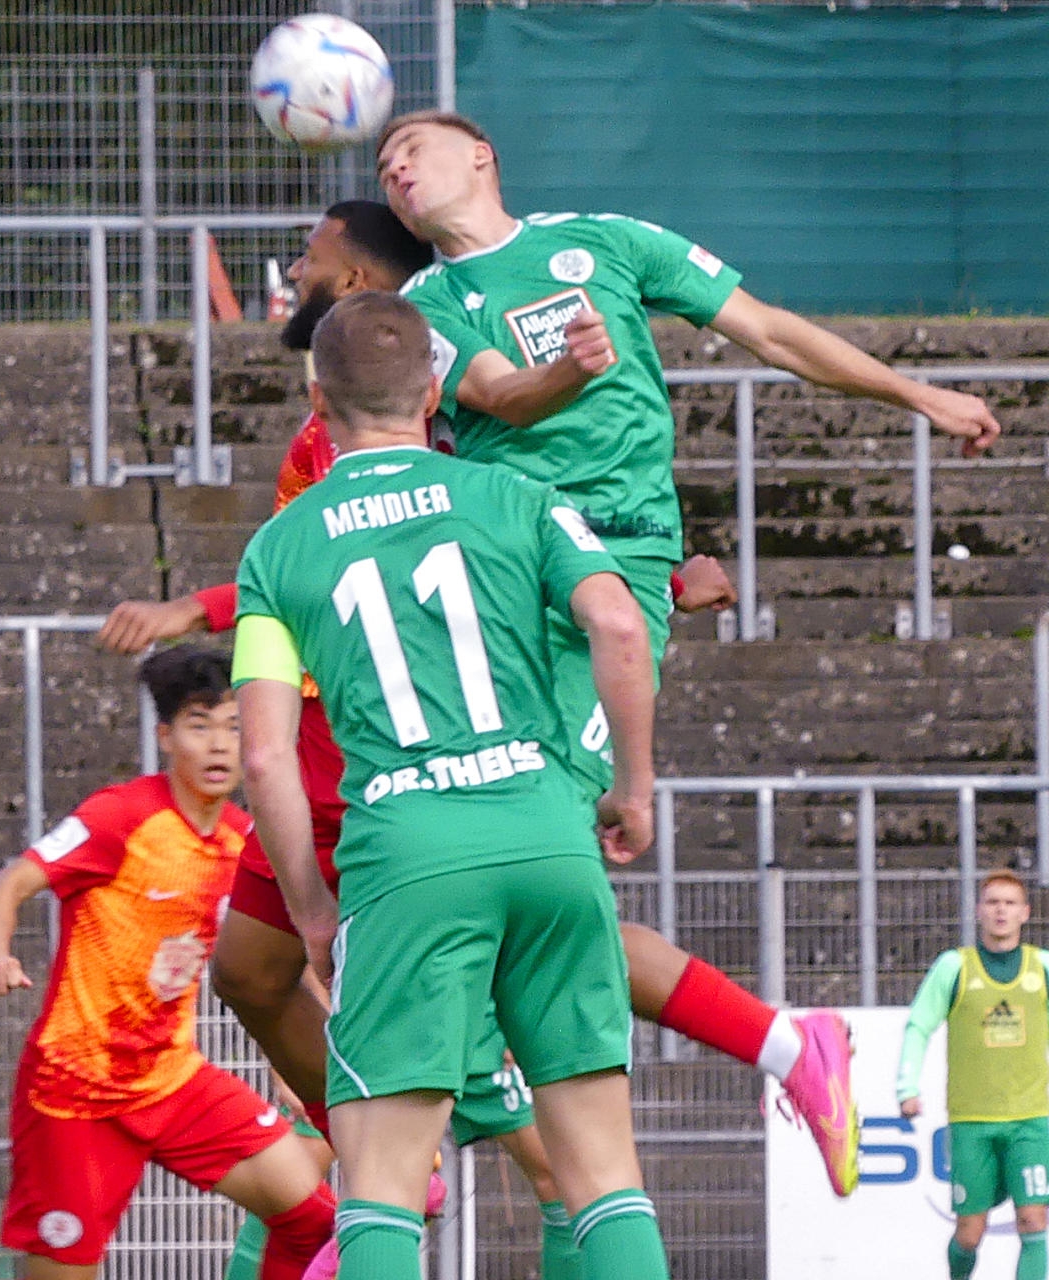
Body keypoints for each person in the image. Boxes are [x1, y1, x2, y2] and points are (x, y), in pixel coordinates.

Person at [101, 196, 840, 1210]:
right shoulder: (355, 406)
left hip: (386, 741)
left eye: (311, 260)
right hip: (326, 727)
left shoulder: (421, 414)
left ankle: (778, 1043)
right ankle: (383, 1167)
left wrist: (653, 588)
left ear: (357, 288)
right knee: (255, 969)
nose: (293, 277)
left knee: (521, 948)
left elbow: (473, 558)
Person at [374, 110, 1005, 1195]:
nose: (392, 166)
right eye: (379, 163)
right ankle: (728, 1056)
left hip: (607, 567)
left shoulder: (606, 241)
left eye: (411, 147)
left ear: (481, 155)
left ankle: (477, 1106)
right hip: (499, 583)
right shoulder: (424, 304)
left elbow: (770, 329)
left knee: (527, 857)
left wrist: (918, 394)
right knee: (508, 862)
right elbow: (497, 398)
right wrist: (574, 369)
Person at [236, 290, 667, 1278]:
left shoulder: (282, 548)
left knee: (381, 1182)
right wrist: (632, 784)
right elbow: (618, 623)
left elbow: (264, 756)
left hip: (408, 855)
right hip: (547, 834)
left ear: (317, 393)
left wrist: (309, 909)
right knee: (603, 1168)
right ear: (434, 387)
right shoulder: (520, 497)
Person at [0, 647, 337, 1280]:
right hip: (75, 1094)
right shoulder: (121, 817)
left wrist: (303, 1050)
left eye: (234, 726)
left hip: (173, 1082)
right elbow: (6, 886)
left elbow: (289, 957)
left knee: (314, 1221)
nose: (221, 745)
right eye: (200, 725)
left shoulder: (244, 841)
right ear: (167, 736)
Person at [898, 870, 1049, 1280]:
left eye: (1010, 903)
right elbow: (919, 1025)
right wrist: (906, 1087)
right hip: (972, 1122)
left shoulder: (1043, 968)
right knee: (969, 1233)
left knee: (1035, 1220)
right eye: (993, 902)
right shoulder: (954, 967)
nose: (1001, 910)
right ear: (979, 911)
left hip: (1030, 1120)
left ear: (1025, 913)